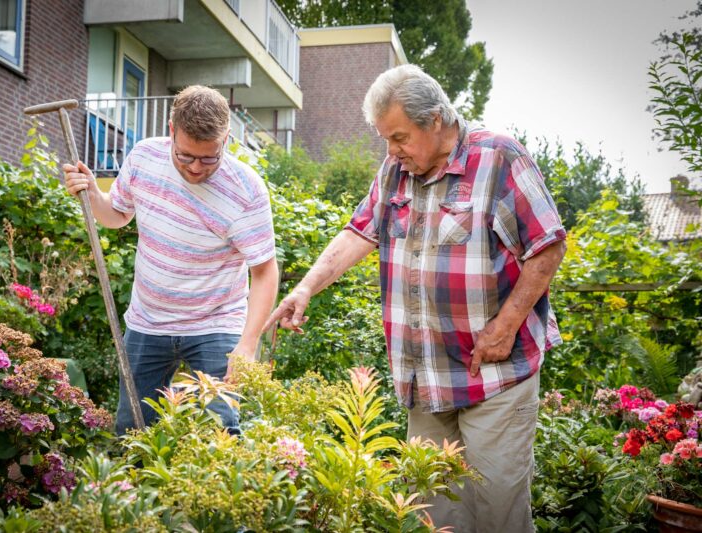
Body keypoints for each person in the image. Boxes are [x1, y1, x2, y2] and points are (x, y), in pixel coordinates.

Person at [264, 64, 566, 532]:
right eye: (386, 139)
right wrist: (304, 287)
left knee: (496, 512)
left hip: (494, 376)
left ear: (436, 121)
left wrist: (505, 327)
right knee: (433, 517)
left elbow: (547, 245)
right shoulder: (395, 172)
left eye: (400, 137)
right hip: (425, 381)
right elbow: (358, 233)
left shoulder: (499, 158)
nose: (391, 150)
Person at [63, 85, 278, 435]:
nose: (196, 168)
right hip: (149, 321)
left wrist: (248, 343)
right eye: (185, 156)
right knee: (132, 430)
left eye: (209, 158)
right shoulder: (144, 157)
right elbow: (116, 214)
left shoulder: (246, 189)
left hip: (216, 322)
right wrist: (91, 192)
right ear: (171, 130)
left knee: (220, 430)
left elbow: (265, 272)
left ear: (226, 137)